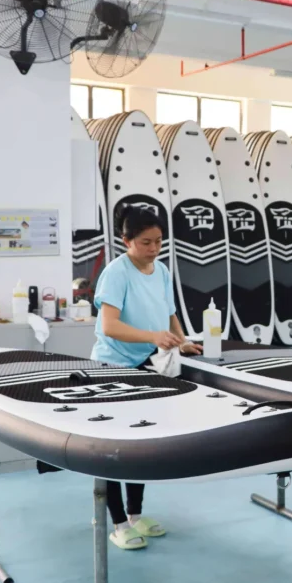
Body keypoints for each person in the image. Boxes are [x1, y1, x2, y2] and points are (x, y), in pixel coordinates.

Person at [91, 207, 203, 550]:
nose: (154, 249)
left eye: (158, 242)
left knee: (139, 443)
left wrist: (181, 341)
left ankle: (136, 515)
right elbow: (109, 325)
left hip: (148, 366)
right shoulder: (116, 273)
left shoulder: (162, 270)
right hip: (113, 367)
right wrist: (153, 336)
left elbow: (169, 313)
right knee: (110, 448)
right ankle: (118, 523)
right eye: (145, 243)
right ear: (126, 241)